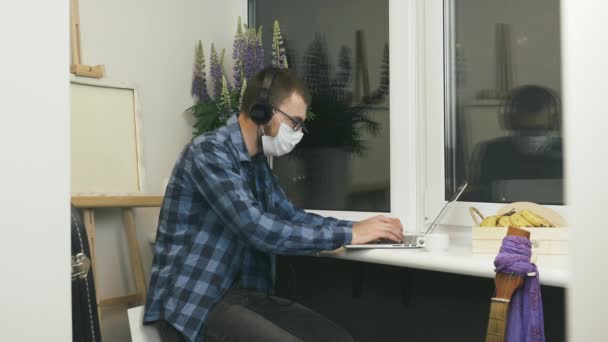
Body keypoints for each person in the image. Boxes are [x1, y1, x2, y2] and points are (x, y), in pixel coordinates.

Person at [143, 67, 404, 342]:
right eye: (295, 122)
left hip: (239, 298)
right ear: (263, 112)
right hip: (194, 302)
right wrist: (350, 234)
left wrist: (361, 228)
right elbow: (257, 228)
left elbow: (291, 216)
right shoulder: (208, 152)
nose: (299, 132)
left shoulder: (257, 166)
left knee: (336, 338)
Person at [466, 85, 563, 203]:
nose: (531, 137)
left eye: (539, 130)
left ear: (554, 123)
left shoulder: (566, 152)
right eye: (524, 130)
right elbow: (479, 197)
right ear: (510, 122)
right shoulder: (492, 152)